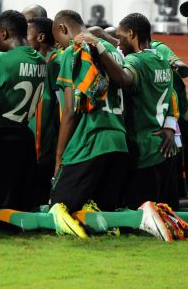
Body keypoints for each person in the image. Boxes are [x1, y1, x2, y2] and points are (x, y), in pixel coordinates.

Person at [76, 13, 179, 210]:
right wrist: (170, 126)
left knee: (141, 215)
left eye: (121, 36)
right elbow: (171, 96)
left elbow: (123, 78)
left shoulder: (137, 61)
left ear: (131, 33)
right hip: (163, 148)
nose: (118, 43)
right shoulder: (162, 59)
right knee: (167, 212)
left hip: (143, 150)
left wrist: (98, 47)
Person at [49, 10, 129, 238]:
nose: (59, 45)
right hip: (119, 142)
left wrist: (59, 157)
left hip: (90, 141)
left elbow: (71, 111)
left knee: (59, 207)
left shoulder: (72, 52)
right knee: (104, 211)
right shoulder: (112, 51)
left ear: (63, 29)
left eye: (58, 39)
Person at [0, 10, 46, 212]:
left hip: (0, 136)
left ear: (4, 34)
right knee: (21, 203)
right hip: (24, 136)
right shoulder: (40, 60)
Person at [26, 17, 61, 206]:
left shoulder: (55, 61)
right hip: (35, 139)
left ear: (40, 37)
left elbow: (61, 106)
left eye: (26, 34)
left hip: (47, 141)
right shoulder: (34, 60)